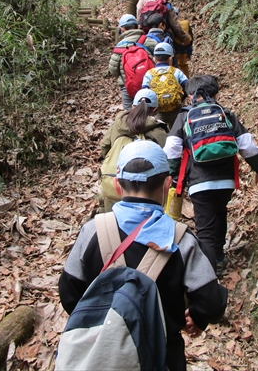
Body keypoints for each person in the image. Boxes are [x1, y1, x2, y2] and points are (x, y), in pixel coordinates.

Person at [59, 140, 228, 371]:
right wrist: (198, 318)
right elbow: (213, 301)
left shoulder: (92, 231)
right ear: (167, 184)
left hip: (101, 355)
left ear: (118, 186)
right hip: (164, 354)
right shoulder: (182, 240)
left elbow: (69, 293)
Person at [163, 75, 258, 275]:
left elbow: (171, 149)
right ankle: (218, 257)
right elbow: (247, 145)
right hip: (226, 181)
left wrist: (173, 175)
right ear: (216, 94)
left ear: (190, 96)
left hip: (199, 183)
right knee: (219, 214)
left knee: (205, 229)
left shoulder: (184, 116)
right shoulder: (225, 114)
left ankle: (207, 275)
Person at [99, 89, 169, 212]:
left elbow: (104, 146)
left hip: (114, 180)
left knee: (112, 220)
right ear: (155, 110)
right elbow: (167, 158)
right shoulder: (159, 131)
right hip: (147, 189)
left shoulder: (118, 124)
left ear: (132, 106)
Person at [109, 14, 153, 110]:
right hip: (151, 85)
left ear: (122, 29)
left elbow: (113, 71)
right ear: (137, 26)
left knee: (129, 116)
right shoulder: (148, 41)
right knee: (151, 110)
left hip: (128, 88)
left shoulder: (119, 48)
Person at [142, 43, 188, 130]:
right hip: (176, 108)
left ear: (154, 59)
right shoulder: (176, 71)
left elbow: (145, 92)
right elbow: (187, 86)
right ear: (171, 58)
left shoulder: (149, 73)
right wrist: (181, 98)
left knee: (161, 130)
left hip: (158, 109)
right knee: (178, 129)